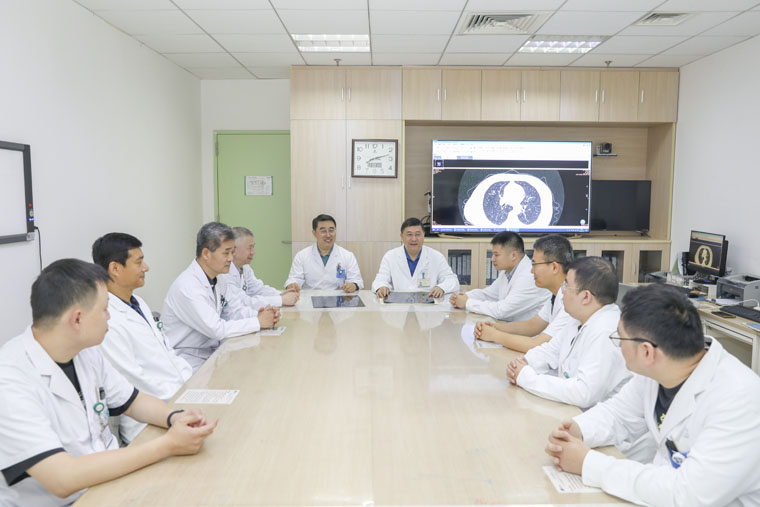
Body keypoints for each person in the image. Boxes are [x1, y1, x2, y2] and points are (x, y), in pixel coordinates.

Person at [0, 259, 216, 506]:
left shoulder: (85, 351)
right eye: (104, 309)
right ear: (77, 319)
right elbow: (62, 479)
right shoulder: (9, 381)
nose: (109, 316)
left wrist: (175, 417)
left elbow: (133, 401)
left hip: (107, 483)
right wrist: (168, 445)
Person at [545, 284, 760, 506]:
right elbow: (618, 414)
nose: (618, 347)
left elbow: (688, 495)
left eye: (620, 339)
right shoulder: (661, 370)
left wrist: (588, 463)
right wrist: (578, 429)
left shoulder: (740, 400)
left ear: (646, 351)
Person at [92, 233, 193, 444]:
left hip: (178, 399)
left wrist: (191, 386)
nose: (146, 268)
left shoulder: (138, 302)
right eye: (139, 262)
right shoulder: (108, 320)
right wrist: (181, 399)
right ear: (115, 269)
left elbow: (168, 351)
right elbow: (135, 381)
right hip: (148, 422)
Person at [506, 256, 629, 409]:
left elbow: (583, 393)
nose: (562, 291)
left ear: (585, 296)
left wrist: (526, 377)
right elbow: (550, 350)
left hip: (592, 416)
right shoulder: (579, 318)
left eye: (566, 286)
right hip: (570, 409)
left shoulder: (607, 332)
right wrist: (524, 363)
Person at [162, 222, 280, 372]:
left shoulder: (219, 278)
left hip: (212, 350)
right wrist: (258, 322)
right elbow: (217, 329)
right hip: (188, 359)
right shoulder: (188, 287)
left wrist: (261, 315)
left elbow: (234, 311)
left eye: (233, 252)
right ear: (206, 254)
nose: (231, 258)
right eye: (226, 253)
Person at [474, 234, 579, 352]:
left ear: (554, 267)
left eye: (535, 265)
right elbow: (532, 326)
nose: (531, 270)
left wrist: (494, 335)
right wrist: (494, 327)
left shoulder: (571, 301)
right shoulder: (556, 295)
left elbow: (537, 344)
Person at [450, 231, 549, 320]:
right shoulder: (508, 272)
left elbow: (502, 311)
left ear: (514, 255)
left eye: (496, 255)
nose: (492, 259)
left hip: (528, 332)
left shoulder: (529, 276)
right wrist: (463, 296)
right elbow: (488, 295)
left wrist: (467, 303)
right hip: (511, 327)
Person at [372, 217, 460, 299]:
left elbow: (452, 281)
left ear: (423, 235)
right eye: (409, 235)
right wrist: (382, 287)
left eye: (417, 234)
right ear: (402, 236)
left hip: (427, 306)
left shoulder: (436, 257)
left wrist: (441, 287)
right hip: (399, 305)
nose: (414, 239)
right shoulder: (390, 256)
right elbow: (380, 280)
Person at [220, 226, 299, 310]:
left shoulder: (245, 267)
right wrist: (281, 300)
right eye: (249, 248)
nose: (253, 252)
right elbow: (243, 301)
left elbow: (257, 289)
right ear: (234, 250)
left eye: (253, 247)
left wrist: (280, 294)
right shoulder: (225, 273)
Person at [284, 214, 363, 292]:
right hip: (310, 298)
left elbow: (357, 280)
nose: (328, 235)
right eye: (323, 231)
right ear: (314, 233)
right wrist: (292, 284)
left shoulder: (347, 256)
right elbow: (294, 279)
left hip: (338, 298)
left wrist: (353, 285)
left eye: (331, 230)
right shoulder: (302, 256)